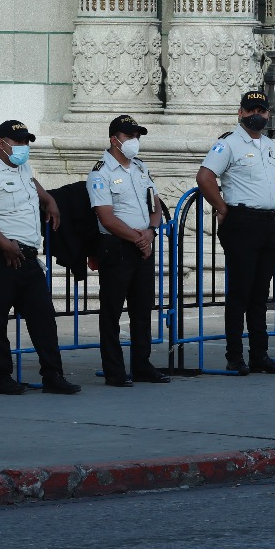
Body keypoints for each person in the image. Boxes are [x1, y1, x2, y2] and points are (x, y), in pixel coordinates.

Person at [0, 120, 80, 395]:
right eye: (17, 142)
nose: (23, 147)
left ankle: (53, 374)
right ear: (1, 143)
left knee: (43, 317)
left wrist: (50, 202)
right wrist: (5, 245)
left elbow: (36, 188)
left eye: (25, 142)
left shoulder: (23, 169)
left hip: (26, 256)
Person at [196, 91, 275, 376]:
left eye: (261, 110)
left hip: (266, 222)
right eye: (251, 111)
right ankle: (235, 356)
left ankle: (260, 354)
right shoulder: (228, 144)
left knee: (260, 294)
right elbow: (204, 177)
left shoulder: (270, 146)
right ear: (240, 113)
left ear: (269, 114)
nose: (256, 115)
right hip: (242, 220)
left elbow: (273, 179)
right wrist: (222, 207)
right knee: (240, 293)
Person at [87, 115, 169, 387]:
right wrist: (139, 238)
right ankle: (114, 370)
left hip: (142, 244)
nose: (135, 141)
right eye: (129, 136)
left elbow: (155, 206)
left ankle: (142, 364)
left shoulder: (141, 168)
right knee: (112, 311)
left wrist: (151, 232)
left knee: (142, 308)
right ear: (115, 140)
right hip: (118, 246)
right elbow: (106, 218)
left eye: (137, 136)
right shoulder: (101, 172)